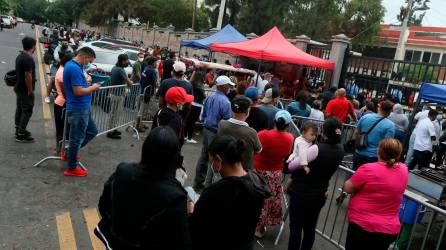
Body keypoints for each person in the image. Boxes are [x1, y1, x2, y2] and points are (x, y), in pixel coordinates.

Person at [95, 127, 191, 250]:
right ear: (174, 159)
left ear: (145, 150)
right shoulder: (176, 198)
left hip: (114, 243)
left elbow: (103, 206)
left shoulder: (123, 172)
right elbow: (180, 242)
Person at [190, 135, 270, 250]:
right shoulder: (256, 181)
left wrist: (192, 210)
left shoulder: (217, 192)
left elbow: (198, 227)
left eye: (211, 161)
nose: (211, 165)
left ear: (218, 160)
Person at [288, 118, 345, 250]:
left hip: (302, 192)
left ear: (324, 133)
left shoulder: (316, 149)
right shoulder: (341, 149)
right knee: (310, 226)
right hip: (320, 192)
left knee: (296, 227)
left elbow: (292, 167)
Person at [343, 138, 408, 250]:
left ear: (379, 151)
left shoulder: (368, 169)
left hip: (363, 226)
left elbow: (347, 188)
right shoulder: (403, 170)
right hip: (388, 229)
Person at [254, 110, 294, 238]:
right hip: (275, 173)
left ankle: (251, 224)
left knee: (255, 196)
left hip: (259, 170)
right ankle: (260, 228)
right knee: (268, 200)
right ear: (288, 125)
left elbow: (256, 150)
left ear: (274, 121)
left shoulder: (263, 134)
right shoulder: (289, 138)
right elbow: (287, 154)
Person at [63, 47, 101, 177]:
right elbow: (78, 91)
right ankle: (71, 167)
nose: (88, 63)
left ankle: (69, 153)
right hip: (78, 109)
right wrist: (93, 87)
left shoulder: (75, 66)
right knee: (76, 139)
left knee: (92, 131)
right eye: (89, 60)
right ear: (84, 57)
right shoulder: (73, 68)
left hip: (82, 108)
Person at [193, 76, 234, 191]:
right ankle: (207, 186)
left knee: (204, 156)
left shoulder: (211, 97)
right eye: (228, 85)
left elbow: (204, 114)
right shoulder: (225, 101)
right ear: (222, 86)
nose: (229, 88)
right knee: (213, 158)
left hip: (206, 129)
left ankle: (198, 182)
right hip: (215, 131)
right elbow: (227, 119)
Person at [214, 96, 262, 173]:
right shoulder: (251, 132)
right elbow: (259, 150)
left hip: (224, 168)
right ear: (247, 112)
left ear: (232, 109)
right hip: (243, 171)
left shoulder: (222, 124)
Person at [14, 37, 37, 142]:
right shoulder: (28, 58)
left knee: (20, 109)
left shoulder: (20, 56)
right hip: (24, 90)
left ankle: (18, 128)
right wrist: (30, 90)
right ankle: (21, 133)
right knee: (27, 110)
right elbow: (28, 75)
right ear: (32, 46)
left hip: (19, 87)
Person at [107, 54, 133, 139]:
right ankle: (110, 131)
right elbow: (129, 82)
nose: (127, 62)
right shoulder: (121, 70)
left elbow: (111, 81)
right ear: (122, 61)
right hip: (118, 95)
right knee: (115, 113)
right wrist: (131, 82)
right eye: (126, 61)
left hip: (114, 94)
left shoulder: (114, 68)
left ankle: (113, 129)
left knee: (113, 113)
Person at [53, 53, 72, 155]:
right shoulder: (62, 72)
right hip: (62, 104)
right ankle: (58, 149)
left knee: (65, 128)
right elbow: (65, 92)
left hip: (63, 103)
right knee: (61, 128)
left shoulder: (64, 69)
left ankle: (61, 149)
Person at [185, 68, 206, 144]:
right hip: (197, 104)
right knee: (192, 121)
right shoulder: (199, 84)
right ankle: (189, 138)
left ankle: (185, 136)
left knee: (188, 120)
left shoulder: (192, 82)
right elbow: (202, 95)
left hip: (191, 102)